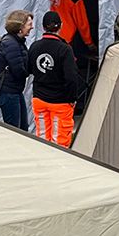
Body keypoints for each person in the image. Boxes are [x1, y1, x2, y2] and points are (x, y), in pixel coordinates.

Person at [29, 10, 82, 147]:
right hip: (60, 102)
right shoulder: (64, 49)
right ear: (61, 26)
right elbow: (71, 77)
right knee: (59, 142)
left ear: (43, 27)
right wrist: (72, 98)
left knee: (42, 137)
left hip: (39, 99)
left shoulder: (34, 47)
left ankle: (42, 164)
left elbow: (28, 69)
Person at [0, 10, 33, 131]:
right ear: (20, 26)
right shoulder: (11, 44)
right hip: (8, 93)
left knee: (22, 129)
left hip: (14, 91)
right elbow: (18, 71)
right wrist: (30, 70)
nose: (32, 27)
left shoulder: (16, 42)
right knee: (15, 131)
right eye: (29, 24)